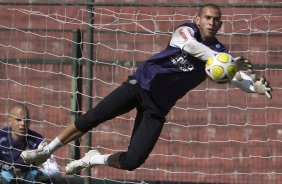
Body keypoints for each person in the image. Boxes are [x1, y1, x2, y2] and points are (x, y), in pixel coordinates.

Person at [20, 4, 272, 175]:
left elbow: (235, 77)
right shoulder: (186, 31)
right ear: (198, 19)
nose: (212, 22)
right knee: (93, 117)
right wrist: (220, 60)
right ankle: (46, 151)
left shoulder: (221, 55)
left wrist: (255, 87)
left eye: (217, 20)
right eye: (208, 17)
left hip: (158, 105)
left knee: (133, 162)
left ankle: (93, 158)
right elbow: (193, 49)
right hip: (140, 85)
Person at [0, 103, 61, 183]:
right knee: (5, 176)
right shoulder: (1, 136)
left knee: (36, 176)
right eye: (18, 120)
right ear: (9, 121)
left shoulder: (37, 141)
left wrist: (42, 174)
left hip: (29, 177)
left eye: (26, 120)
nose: (23, 124)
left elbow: (55, 170)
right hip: (5, 175)